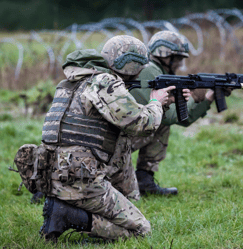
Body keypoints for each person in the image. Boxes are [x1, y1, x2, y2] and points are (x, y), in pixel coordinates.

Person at [38, 35, 190, 242]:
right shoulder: (106, 83)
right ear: (131, 65)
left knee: (126, 208)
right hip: (81, 180)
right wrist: (156, 101)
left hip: (53, 175)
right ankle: (66, 216)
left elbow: (122, 129)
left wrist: (162, 105)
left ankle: (65, 208)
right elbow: (142, 124)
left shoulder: (73, 82)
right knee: (141, 231)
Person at [130, 31, 225, 196]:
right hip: (119, 135)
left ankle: (144, 180)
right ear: (165, 55)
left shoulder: (156, 70)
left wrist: (207, 99)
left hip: (129, 128)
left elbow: (182, 120)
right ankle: (133, 179)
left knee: (161, 123)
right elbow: (172, 116)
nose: (180, 64)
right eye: (178, 58)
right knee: (160, 122)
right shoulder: (151, 71)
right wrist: (193, 97)